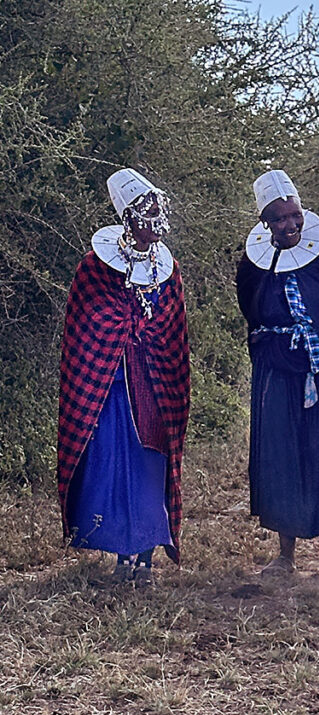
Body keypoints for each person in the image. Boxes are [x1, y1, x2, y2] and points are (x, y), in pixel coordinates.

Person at [58, 168, 190, 587]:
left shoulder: (168, 269)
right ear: (128, 218)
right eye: (147, 213)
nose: (156, 221)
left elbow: (174, 331)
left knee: (152, 466)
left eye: (159, 211)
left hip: (153, 388)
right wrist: (119, 340)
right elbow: (84, 327)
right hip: (109, 390)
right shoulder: (96, 267)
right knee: (112, 466)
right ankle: (121, 555)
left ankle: (146, 557)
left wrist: (148, 345)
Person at [236, 169, 319, 581]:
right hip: (279, 372)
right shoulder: (254, 263)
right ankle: (285, 555)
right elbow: (250, 310)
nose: (289, 225)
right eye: (278, 219)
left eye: (294, 216)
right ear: (264, 223)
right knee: (283, 457)